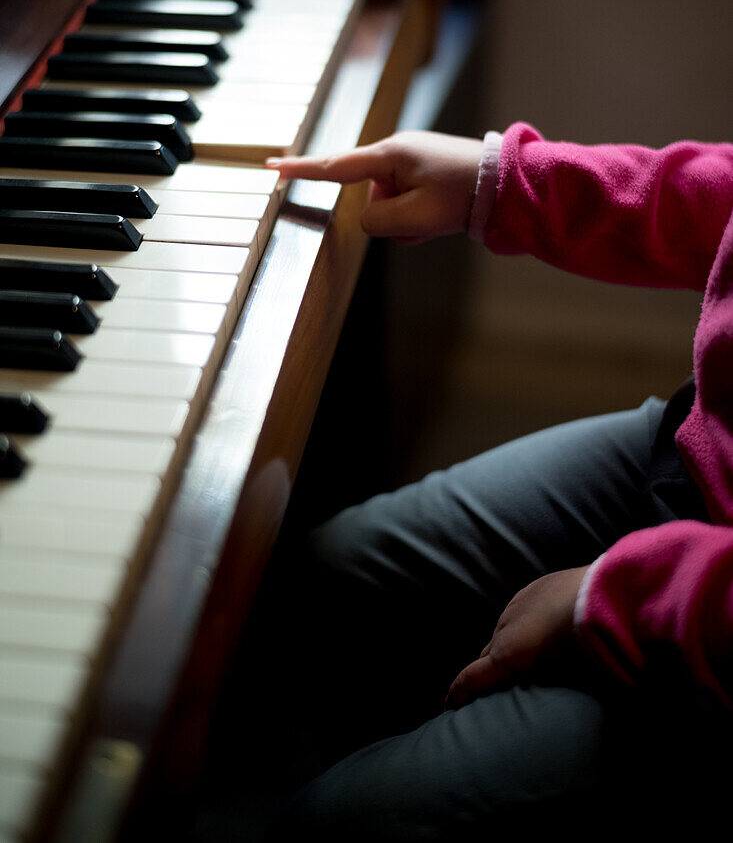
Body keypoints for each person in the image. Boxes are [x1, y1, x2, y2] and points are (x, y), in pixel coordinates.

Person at [259, 123, 733, 840]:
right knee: (336, 574)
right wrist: (508, 180)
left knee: (329, 825)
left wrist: (616, 596)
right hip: (700, 452)